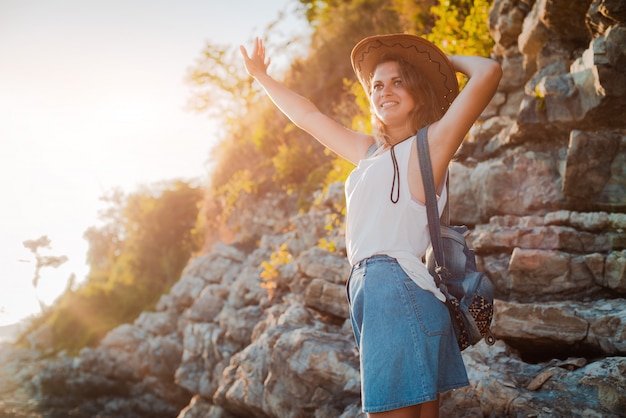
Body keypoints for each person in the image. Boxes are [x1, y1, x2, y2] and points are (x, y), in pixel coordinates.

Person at [240, 33, 501, 418]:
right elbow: (309, 117)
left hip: (394, 288)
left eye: (399, 81)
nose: (385, 91)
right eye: (377, 85)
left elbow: (488, 72)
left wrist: (437, 59)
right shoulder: (369, 153)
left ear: (418, 90)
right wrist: (262, 77)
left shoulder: (432, 144)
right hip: (377, 293)